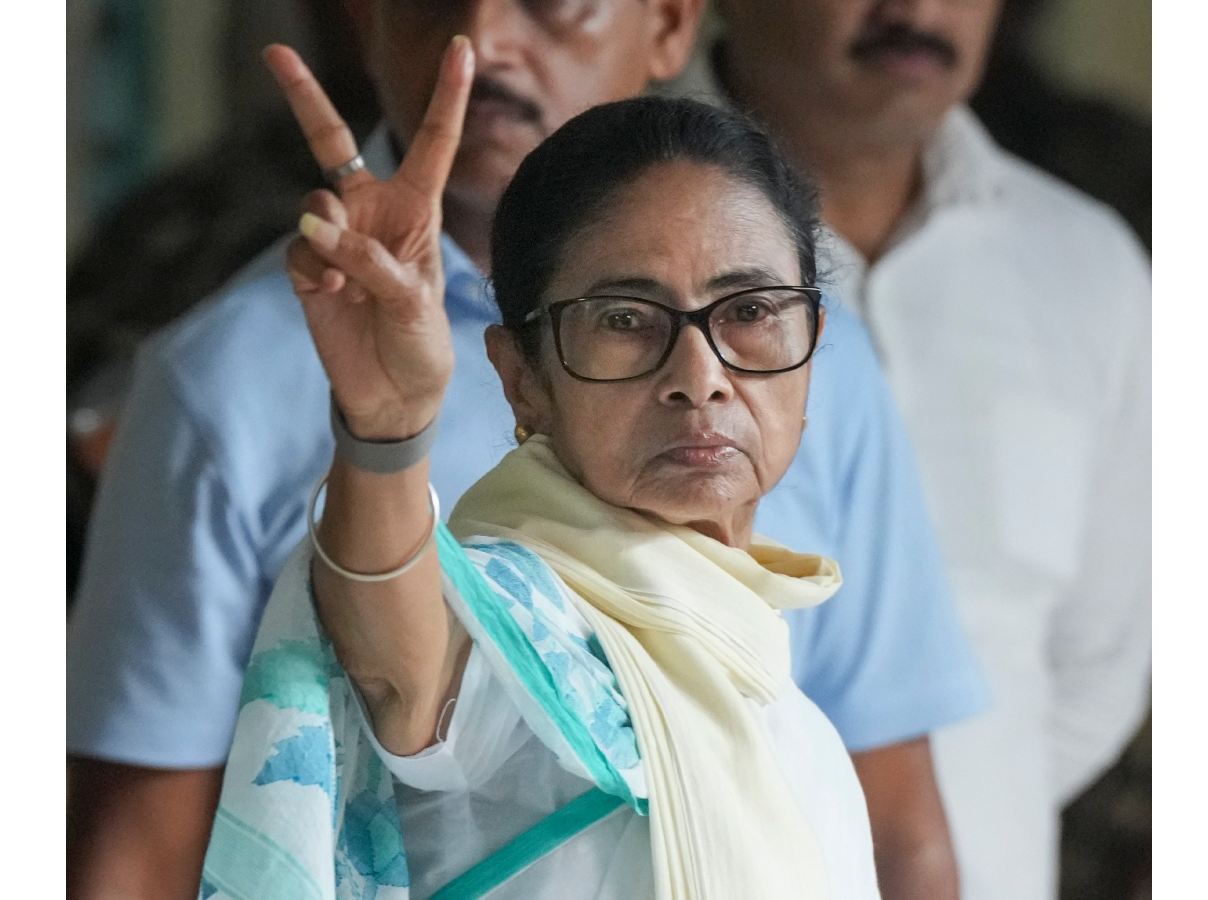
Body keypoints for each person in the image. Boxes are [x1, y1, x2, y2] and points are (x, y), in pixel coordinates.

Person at [67, 3, 987, 897]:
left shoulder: (791, 724)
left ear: (813, 349)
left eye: (749, 314)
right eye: (625, 321)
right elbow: (402, 658)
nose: (700, 374)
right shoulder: (522, 625)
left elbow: (907, 823)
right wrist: (387, 430)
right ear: (521, 380)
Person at [658, 2, 1152, 898]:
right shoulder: (583, 245)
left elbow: (1101, 669)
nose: (917, 11)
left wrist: (944, 818)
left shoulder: (1090, 268)